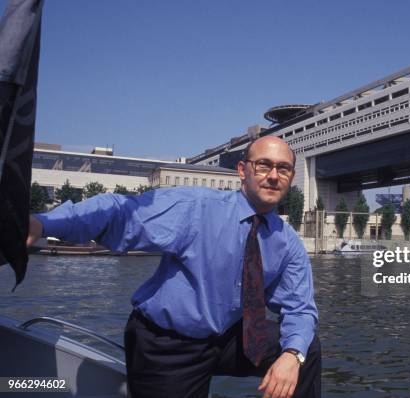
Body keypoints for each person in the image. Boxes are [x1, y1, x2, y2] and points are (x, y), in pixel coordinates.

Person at [27, 136, 321, 398]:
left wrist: (292, 356)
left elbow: (300, 308)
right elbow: (121, 214)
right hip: (167, 344)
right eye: (263, 165)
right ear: (243, 171)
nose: (273, 176)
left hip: (228, 337)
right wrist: (44, 224)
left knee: (306, 348)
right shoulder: (196, 208)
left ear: (291, 177)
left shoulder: (287, 243)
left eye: (283, 169)